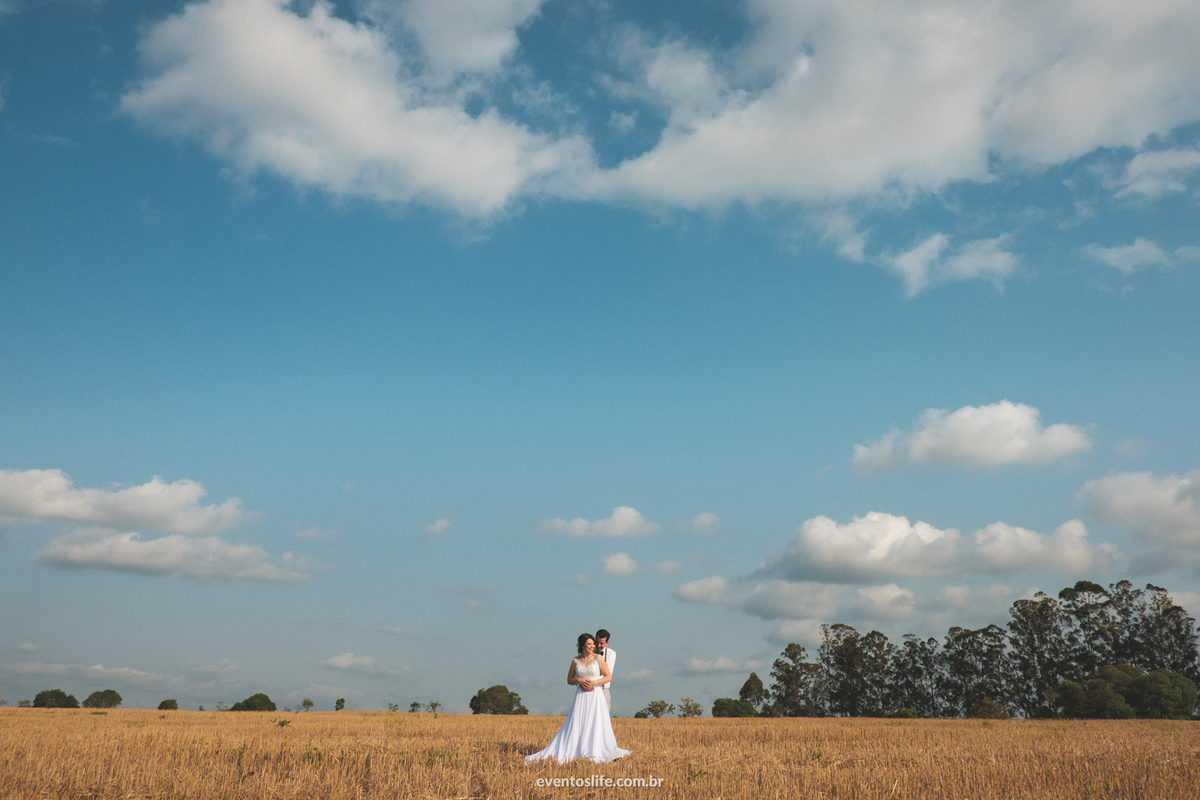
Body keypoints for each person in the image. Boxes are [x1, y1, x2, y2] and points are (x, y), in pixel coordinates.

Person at [524, 633, 631, 764]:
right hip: (580, 696)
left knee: (595, 721)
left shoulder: (598, 659)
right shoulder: (575, 661)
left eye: (593, 644)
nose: (593, 646)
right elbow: (569, 679)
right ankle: (577, 749)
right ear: (581, 646)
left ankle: (596, 750)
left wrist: (593, 683)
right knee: (578, 721)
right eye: (589, 644)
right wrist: (579, 680)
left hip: (595, 695)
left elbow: (608, 677)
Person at [596, 629, 615, 714]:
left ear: (607, 642)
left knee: (604, 715)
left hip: (603, 689)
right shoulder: (588, 651)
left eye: (601, 643)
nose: (598, 645)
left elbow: (608, 674)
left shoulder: (611, 654)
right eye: (597, 642)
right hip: (589, 689)